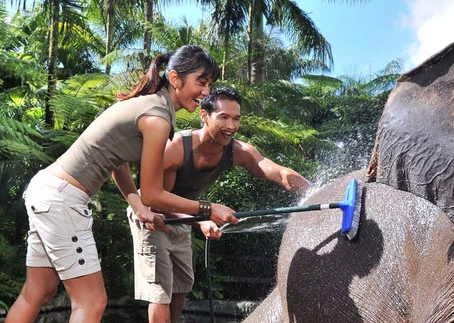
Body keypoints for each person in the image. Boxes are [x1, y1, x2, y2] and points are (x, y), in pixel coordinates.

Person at [6, 45, 239, 323]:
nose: (205, 92)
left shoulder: (151, 104)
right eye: (201, 82)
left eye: (210, 84)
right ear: (175, 78)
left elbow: (118, 161)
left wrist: (136, 204)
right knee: (91, 301)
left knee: (39, 291)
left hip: (46, 189)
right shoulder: (157, 117)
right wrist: (206, 208)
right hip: (62, 200)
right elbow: (153, 193)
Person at [129, 86, 309, 323]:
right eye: (223, 117)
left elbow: (273, 169)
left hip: (189, 213)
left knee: (181, 286)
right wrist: (203, 217)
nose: (231, 126)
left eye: (236, 119)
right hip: (150, 214)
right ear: (204, 115)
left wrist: (313, 190)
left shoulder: (238, 151)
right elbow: (153, 197)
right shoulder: (175, 147)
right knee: (160, 292)